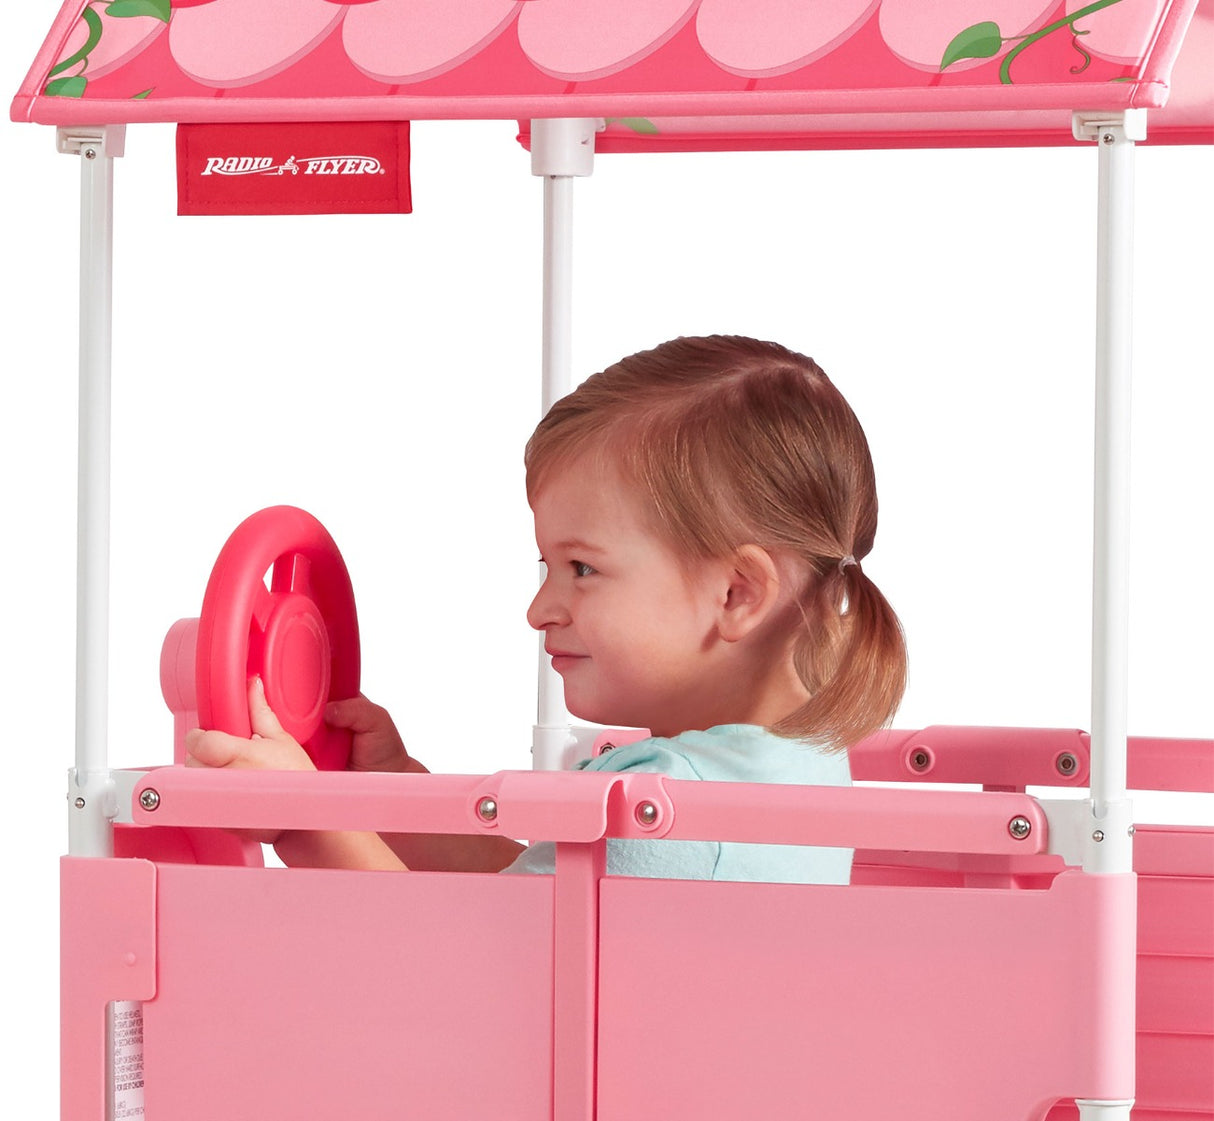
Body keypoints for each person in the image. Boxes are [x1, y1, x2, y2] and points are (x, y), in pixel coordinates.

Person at [186, 335, 907, 881]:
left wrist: (305, 823)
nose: (538, 610)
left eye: (582, 568)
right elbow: (531, 899)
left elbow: (465, 969)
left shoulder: (669, 811)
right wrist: (392, 790)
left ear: (736, 593)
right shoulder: (790, 765)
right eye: (547, 568)